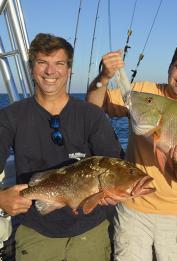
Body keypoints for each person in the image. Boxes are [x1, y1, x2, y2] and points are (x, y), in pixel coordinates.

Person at [0, 33, 123, 261]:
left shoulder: (92, 115)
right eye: (42, 63)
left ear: (69, 70)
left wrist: (112, 193)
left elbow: (114, 165)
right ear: (31, 67)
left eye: (59, 63)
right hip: (36, 229)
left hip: (91, 229)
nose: (50, 71)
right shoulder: (9, 117)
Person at [86, 43, 177, 261]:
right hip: (133, 208)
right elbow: (95, 106)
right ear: (170, 68)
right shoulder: (144, 93)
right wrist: (104, 77)